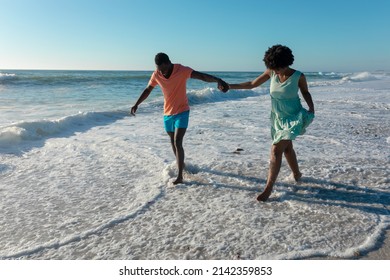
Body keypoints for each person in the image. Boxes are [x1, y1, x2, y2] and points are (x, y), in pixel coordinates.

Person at [228, 45, 315, 201]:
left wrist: (311, 109)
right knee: (287, 148)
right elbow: (252, 84)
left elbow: (305, 92)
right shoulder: (271, 71)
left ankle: (268, 188)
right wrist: (229, 86)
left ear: (286, 64)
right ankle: (297, 174)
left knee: (276, 150)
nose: (275, 71)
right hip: (277, 118)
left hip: (293, 117)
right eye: (272, 68)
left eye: (277, 68)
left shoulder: (298, 76)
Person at [131, 53, 229, 185]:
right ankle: (181, 166)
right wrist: (137, 103)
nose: (161, 72)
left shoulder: (181, 70)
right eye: (158, 69)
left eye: (162, 68)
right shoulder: (156, 74)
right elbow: (148, 89)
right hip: (167, 113)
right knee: (172, 142)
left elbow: (201, 76)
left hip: (182, 111)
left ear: (168, 62)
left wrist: (218, 80)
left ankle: (180, 176)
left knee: (178, 141)